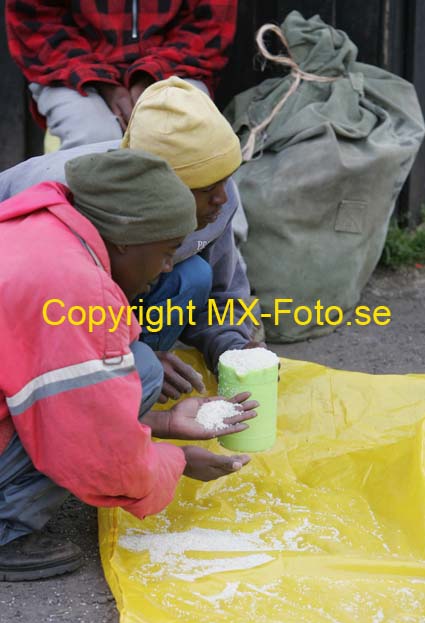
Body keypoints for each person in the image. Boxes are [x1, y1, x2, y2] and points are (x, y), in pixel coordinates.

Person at [0, 148, 257, 582]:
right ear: (124, 240)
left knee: (135, 364)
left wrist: (165, 422)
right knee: (140, 369)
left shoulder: (45, 225)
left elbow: (55, 394)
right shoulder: (72, 287)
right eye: (167, 250)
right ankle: (6, 529)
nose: (167, 267)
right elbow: (97, 454)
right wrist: (174, 461)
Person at [0, 77, 262, 404]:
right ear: (158, 191)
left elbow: (220, 294)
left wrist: (233, 347)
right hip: (29, 313)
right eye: (208, 189)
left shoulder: (216, 198)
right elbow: (44, 323)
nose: (222, 199)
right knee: (139, 372)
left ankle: (134, 388)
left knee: (194, 276)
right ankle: (115, 397)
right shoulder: (73, 212)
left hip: (100, 297)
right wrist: (129, 358)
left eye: (225, 180)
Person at [5, 0, 238, 148]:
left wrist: (151, 76)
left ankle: (212, 226)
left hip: (174, 66)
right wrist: (100, 82)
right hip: (71, 70)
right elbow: (35, 22)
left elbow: (208, 25)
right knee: (94, 143)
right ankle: (83, 225)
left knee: (186, 135)